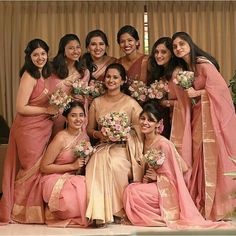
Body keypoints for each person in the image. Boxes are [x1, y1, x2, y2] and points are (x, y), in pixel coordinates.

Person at [123, 103, 233, 230]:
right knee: (130, 188)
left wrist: (157, 176)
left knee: (133, 191)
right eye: (143, 118)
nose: (145, 122)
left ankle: (159, 218)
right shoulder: (142, 141)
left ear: (158, 124)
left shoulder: (164, 144)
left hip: (166, 188)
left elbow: (176, 175)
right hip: (152, 184)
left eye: (150, 120)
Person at [172, 31, 236, 221]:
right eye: (175, 46)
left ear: (190, 44)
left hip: (211, 117)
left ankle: (219, 206)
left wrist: (196, 93)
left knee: (211, 155)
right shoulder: (187, 68)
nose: (178, 48)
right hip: (199, 115)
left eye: (181, 44)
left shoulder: (202, 63)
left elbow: (220, 89)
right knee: (198, 153)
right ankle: (203, 201)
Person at [0, 39, 58, 224]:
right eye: (35, 55)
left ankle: (34, 212)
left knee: (39, 169)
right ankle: (19, 211)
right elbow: (21, 107)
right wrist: (46, 111)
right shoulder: (29, 76)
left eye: (43, 54)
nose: (40, 58)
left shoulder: (46, 74)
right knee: (30, 169)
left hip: (42, 128)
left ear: (47, 54)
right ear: (29, 57)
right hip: (28, 130)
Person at [85, 63, 144, 227]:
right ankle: (98, 213)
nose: (111, 80)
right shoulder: (96, 102)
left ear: (123, 80)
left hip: (123, 147)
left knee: (117, 165)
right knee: (93, 163)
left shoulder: (131, 103)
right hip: (103, 146)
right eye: (108, 77)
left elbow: (141, 127)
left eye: (115, 77)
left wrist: (124, 134)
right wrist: (99, 134)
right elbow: (89, 129)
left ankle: (118, 211)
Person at [40, 101, 88, 227]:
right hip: (54, 177)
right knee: (71, 197)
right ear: (66, 118)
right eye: (73, 115)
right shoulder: (60, 138)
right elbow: (44, 167)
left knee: (88, 188)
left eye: (81, 115)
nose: (78, 119)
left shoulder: (84, 137)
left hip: (74, 177)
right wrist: (71, 166)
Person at [49, 34, 90, 138]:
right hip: (55, 115)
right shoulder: (53, 70)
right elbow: (48, 92)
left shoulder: (84, 72)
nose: (76, 51)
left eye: (78, 47)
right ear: (63, 50)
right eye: (71, 48)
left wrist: (81, 97)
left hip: (74, 114)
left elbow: (83, 97)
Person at [147, 37, 179, 139]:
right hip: (162, 118)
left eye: (163, 52)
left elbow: (185, 102)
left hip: (176, 121)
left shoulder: (177, 73)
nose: (158, 55)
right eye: (156, 52)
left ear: (172, 53)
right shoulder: (159, 72)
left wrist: (164, 103)